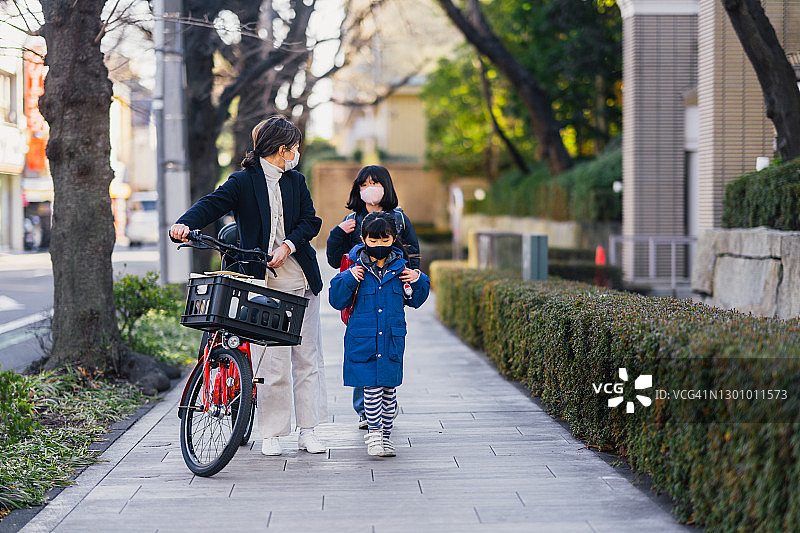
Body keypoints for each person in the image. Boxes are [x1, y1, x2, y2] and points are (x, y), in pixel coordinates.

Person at [169, 115, 328, 456]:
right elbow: (213, 203)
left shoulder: (296, 180)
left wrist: (287, 246)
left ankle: (308, 430)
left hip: (301, 276)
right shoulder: (242, 181)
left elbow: (309, 221)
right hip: (265, 282)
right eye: (294, 147)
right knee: (270, 359)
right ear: (280, 149)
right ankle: (271, 432)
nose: (297, 153)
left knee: (306, 358)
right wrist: (185, 222)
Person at [326, 165, 421, 429]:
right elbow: (335, 261)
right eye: (364, 184)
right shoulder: (352, 221)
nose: (370, 189)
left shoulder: (398, 219)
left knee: (386, 346)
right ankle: (365, 411)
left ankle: (386, 402)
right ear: (358, 189)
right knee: (363, 348)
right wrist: (338, 234)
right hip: (360, 299)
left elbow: (413, 253)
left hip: (389, 294)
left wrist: (411, 282)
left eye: (375, 183)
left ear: (386, 186)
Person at [328, 211, 430, 456]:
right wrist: (349, 279)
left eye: (385, 240)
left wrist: (418, 279)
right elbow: (336, 299)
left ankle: (386, 435)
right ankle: (374, 436)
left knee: (389, 390)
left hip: (391, 340)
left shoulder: (401, 269)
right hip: (363, 339)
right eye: (373, 241)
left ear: (394, 239)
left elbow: (416, 300)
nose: (379, 245)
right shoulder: (354, 267)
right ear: (363, 239)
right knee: (371, 390)